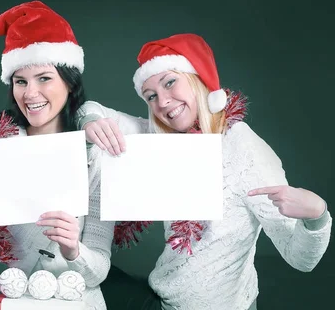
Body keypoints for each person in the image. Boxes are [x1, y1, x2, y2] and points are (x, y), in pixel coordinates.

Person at [77, 33, 332, 309]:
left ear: (198, 80)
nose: (162, 103)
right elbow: (92, 110)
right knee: (83, 285)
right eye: (151, 96)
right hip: (164, 300)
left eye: (170, 83)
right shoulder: (165, 138)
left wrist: (317, 216)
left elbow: (301, 259)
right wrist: (91, 121)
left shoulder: (244, 149)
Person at [0, 0, 118, 310]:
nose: (30, 94)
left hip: (71, 302)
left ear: (69, 82)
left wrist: (73, 250)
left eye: (44, 78)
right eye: (20, 81)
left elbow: (98, 271)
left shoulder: (94, 155)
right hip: (2, 301)